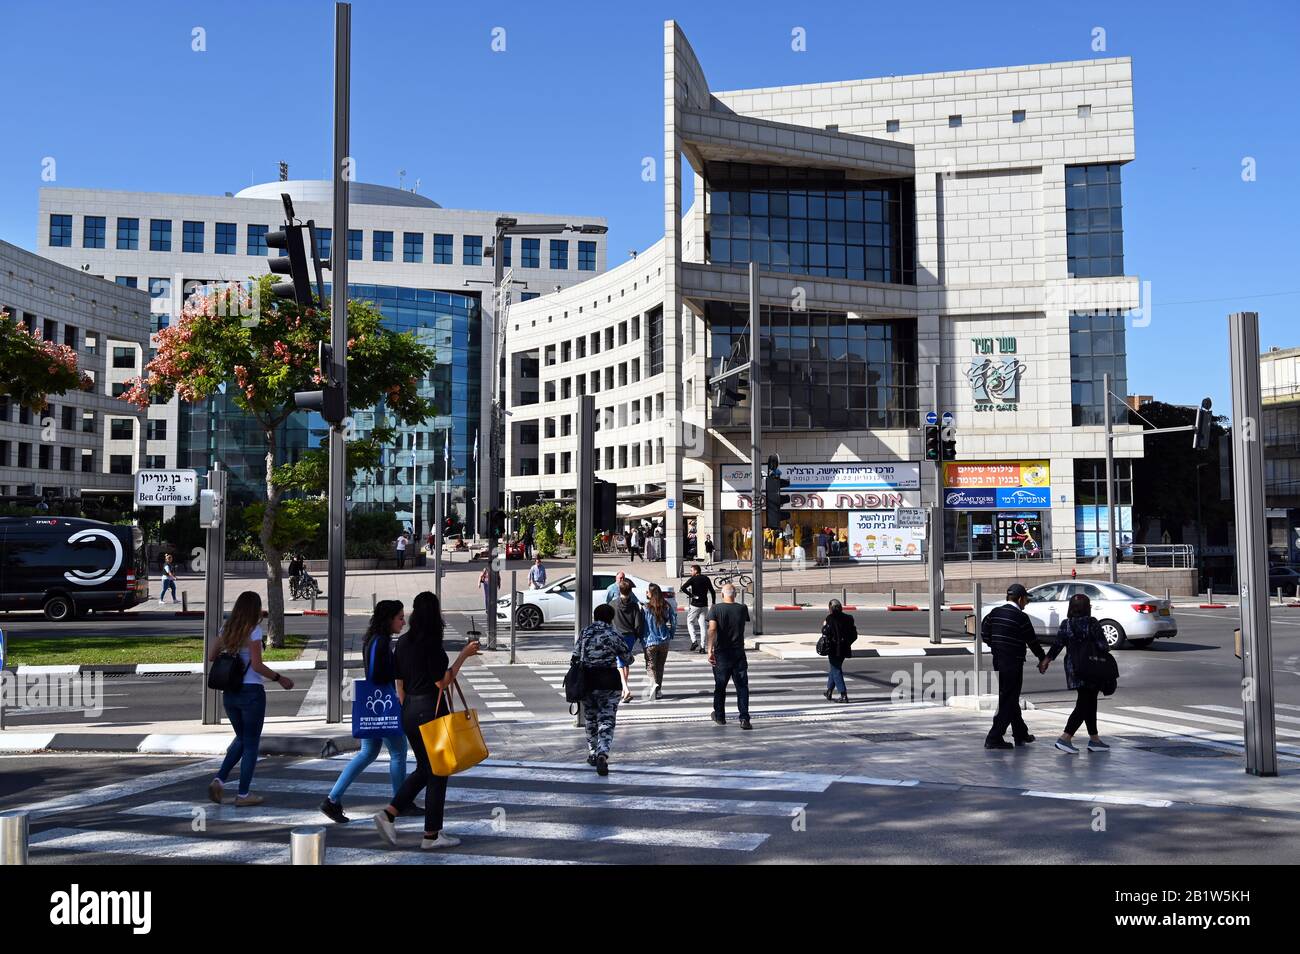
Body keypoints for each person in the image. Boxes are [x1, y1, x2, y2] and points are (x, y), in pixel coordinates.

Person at [375, 591, 480, 850]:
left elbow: (399, 683)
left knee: (426, 768)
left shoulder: (404, 641)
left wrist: (406, 706)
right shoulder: (431, 643)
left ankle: (391, 813)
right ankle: (430, 835)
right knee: (438, 771)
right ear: (435, 615)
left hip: (409, 709)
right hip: (430, 711)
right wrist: (464, 655)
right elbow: (443, 682)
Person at [321, 601, 409, 823]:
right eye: (400, 617)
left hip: (373, 708)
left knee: (368, 753)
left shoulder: (374, 639)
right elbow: (375, 675)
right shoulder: (380, 642)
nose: (403, 621)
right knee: (398, 752)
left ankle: (332, 800)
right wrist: (396, 670)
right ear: (389, 618)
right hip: (381, 707)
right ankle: (401, 803)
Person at [206, 591, 295, 806]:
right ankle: (243, 794)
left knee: (242, 738)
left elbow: (211, 656)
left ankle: (219, 780)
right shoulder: (254, 631)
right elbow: (256, 665)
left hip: (230, 693)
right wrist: (279, 678)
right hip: (251, 693)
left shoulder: (225, 628)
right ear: (254, 609)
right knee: (251, 743)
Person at [1044, 593, 1115, 754]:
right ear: (1087, 608)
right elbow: (1103, 646)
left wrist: (1046, 660)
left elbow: (1057, 645)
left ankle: (1094, 739)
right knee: (1084, 704)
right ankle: (1065, 737)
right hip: (1092, 667)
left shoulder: (1066, 624)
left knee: (1089, 702)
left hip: (1073, 668)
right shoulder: (1092, 623)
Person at [981, 582, 1048, 749]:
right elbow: (1032, 641)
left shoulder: (994, 613)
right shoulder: (1021, 618)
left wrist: (996, 646)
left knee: (1010, 697)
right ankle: (994, 737)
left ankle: (1020, 733)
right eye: (1026, 600)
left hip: (998, 661)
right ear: (1020, 599)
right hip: (1014, 663)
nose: (1027, 603)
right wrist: (1042, 659)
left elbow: (984, 633)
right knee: (1008, 699)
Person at [575, 603, 634, 775]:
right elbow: (627, 659)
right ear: (610, 618)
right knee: (607, 719)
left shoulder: (585, 632)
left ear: (595, 616)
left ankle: (592, 753)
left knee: (590, 718)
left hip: (587, 681)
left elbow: (575, 655)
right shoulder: (614, 633)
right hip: (609, 681)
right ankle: (603, 753)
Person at [707, 583, 752, 730]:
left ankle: (720, 716)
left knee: (720, 686)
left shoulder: (715, 609)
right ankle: (744, 718)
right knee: (742, 687)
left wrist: (709, 650)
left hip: (722, 653)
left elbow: (712, 629)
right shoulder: (742, 608)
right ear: (735, 594)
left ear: (722, 594)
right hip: (738, 652)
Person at [610, 578, 645, 702]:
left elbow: (609, 621)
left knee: (619, 662)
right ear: (630, 591)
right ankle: (624, 690)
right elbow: (637, 624)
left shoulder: (613, 604)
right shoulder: (634, 606)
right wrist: (636, 636)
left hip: (617, 636)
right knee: (625, 661)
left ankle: (625, 688)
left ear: (619, 590)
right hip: (630, 636)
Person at [640, 583, 677, 700]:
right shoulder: (666, 606)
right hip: (664, 641)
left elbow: (641, 624)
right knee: (660, 666)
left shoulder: (646, 608)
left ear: (651, 594)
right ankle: (659, 690)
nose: (646, 593)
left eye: (648, 591)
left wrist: (641, 637)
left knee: (651, 665)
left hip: (650, 641)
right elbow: (674, 621)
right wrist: (670, 634)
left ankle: (653, 684)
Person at [820, 599, 858, 703]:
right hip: (845, 648)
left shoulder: (830, 618)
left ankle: (843, 694)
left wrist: (824, 625)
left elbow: (825, 633)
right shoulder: (849, 618)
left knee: (836, 670)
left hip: (833, 649)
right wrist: (847, 642)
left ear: (830, 608)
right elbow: (854, 635)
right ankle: (829, 691)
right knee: (834, 668)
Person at [680, 563, 715, 653]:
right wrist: (713, 603)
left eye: (691, 570)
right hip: (704, 605)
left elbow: (683, 588)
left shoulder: (693, 579)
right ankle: (703, 647)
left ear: (696, 571)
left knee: (690, 621)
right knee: (703, 626)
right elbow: (712, 591)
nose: (691, 572)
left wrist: (691, 595)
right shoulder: (706, 578)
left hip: (695, 604)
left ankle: (694, 641)